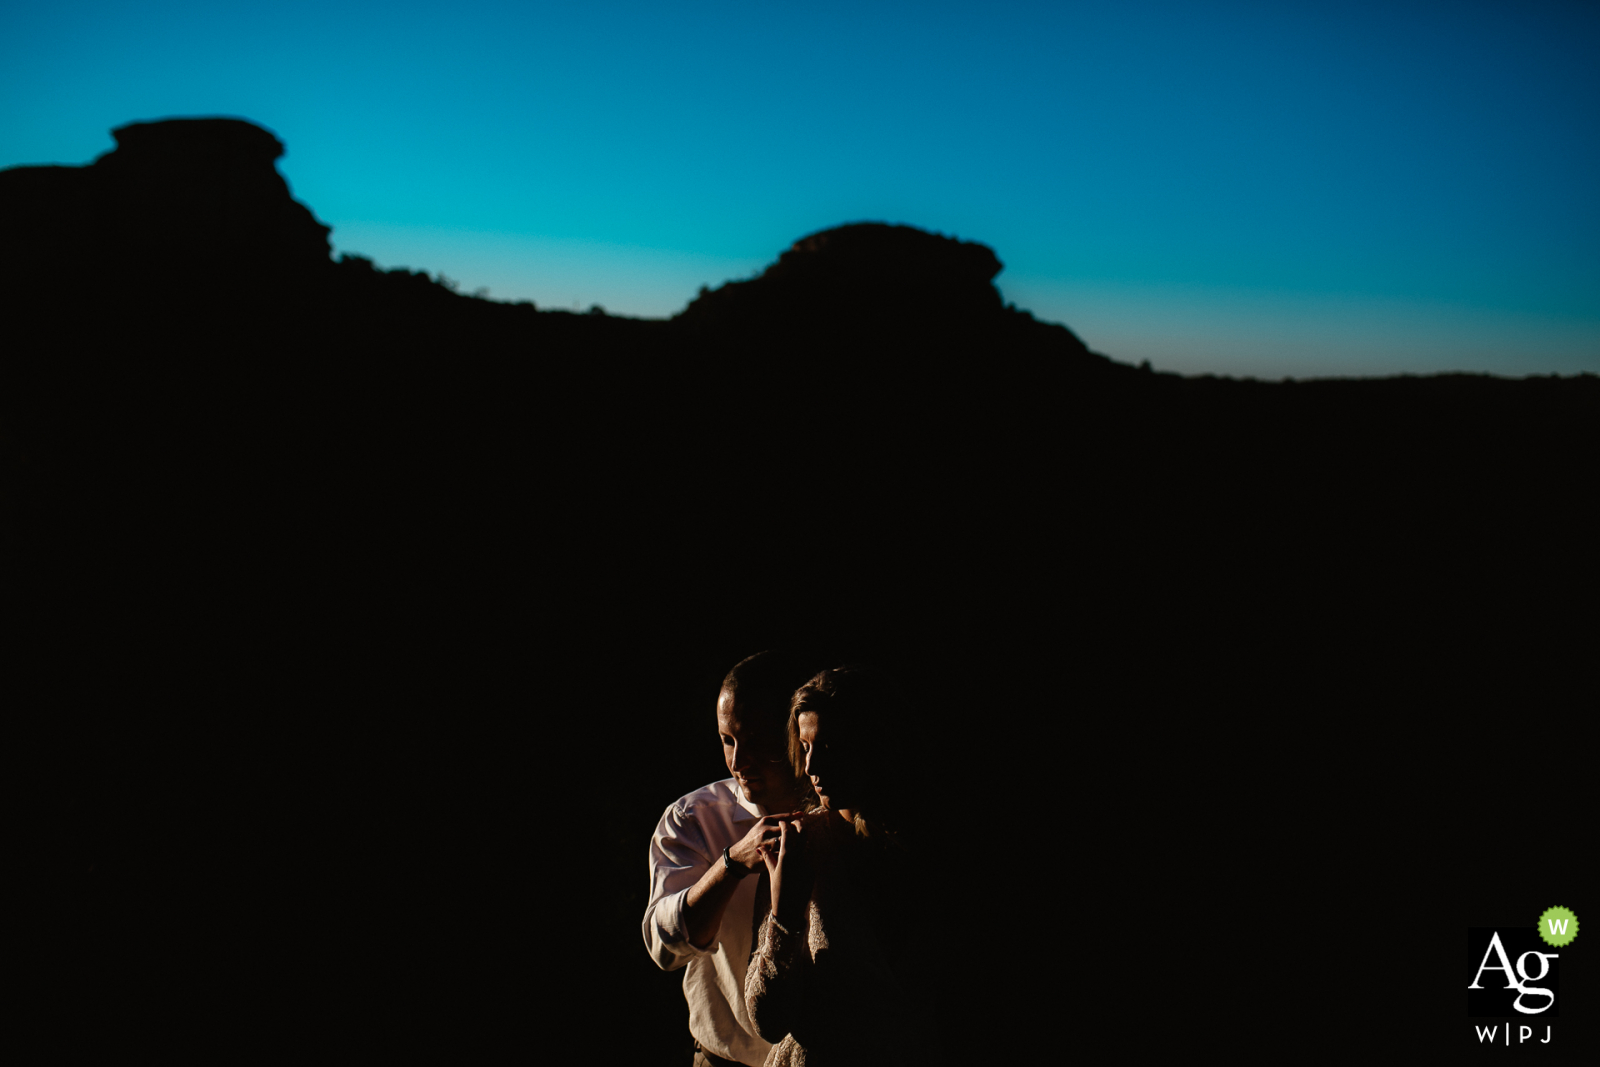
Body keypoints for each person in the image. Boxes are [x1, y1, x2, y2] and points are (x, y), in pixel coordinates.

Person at [744, 666, 929, 1066]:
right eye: (805, 747)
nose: (811, 768)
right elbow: (766, 1018)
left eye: (828, 748)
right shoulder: (801, 844)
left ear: (874, 745)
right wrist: (784, 915)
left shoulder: (922, 847)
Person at [645, 651, 821, 1067]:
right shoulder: (692, 819)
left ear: (794, 734)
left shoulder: (840, 821)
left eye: (757, 741)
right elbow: (664, 948)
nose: (738, 762)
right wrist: (731, 864)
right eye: (728, 740)